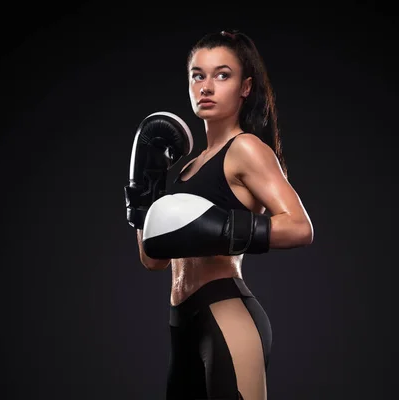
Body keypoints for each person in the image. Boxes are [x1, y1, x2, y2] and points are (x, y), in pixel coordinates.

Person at [125, 30, 314, 400]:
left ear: (245, 87)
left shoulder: (245, 148)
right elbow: (153, 260)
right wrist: (143, 197)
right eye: (198, 75)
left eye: (221, 75)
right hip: (181, 321)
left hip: (227, 313)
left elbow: (299, 227)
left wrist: (221, 228)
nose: (206, 87)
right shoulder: (185, 168)